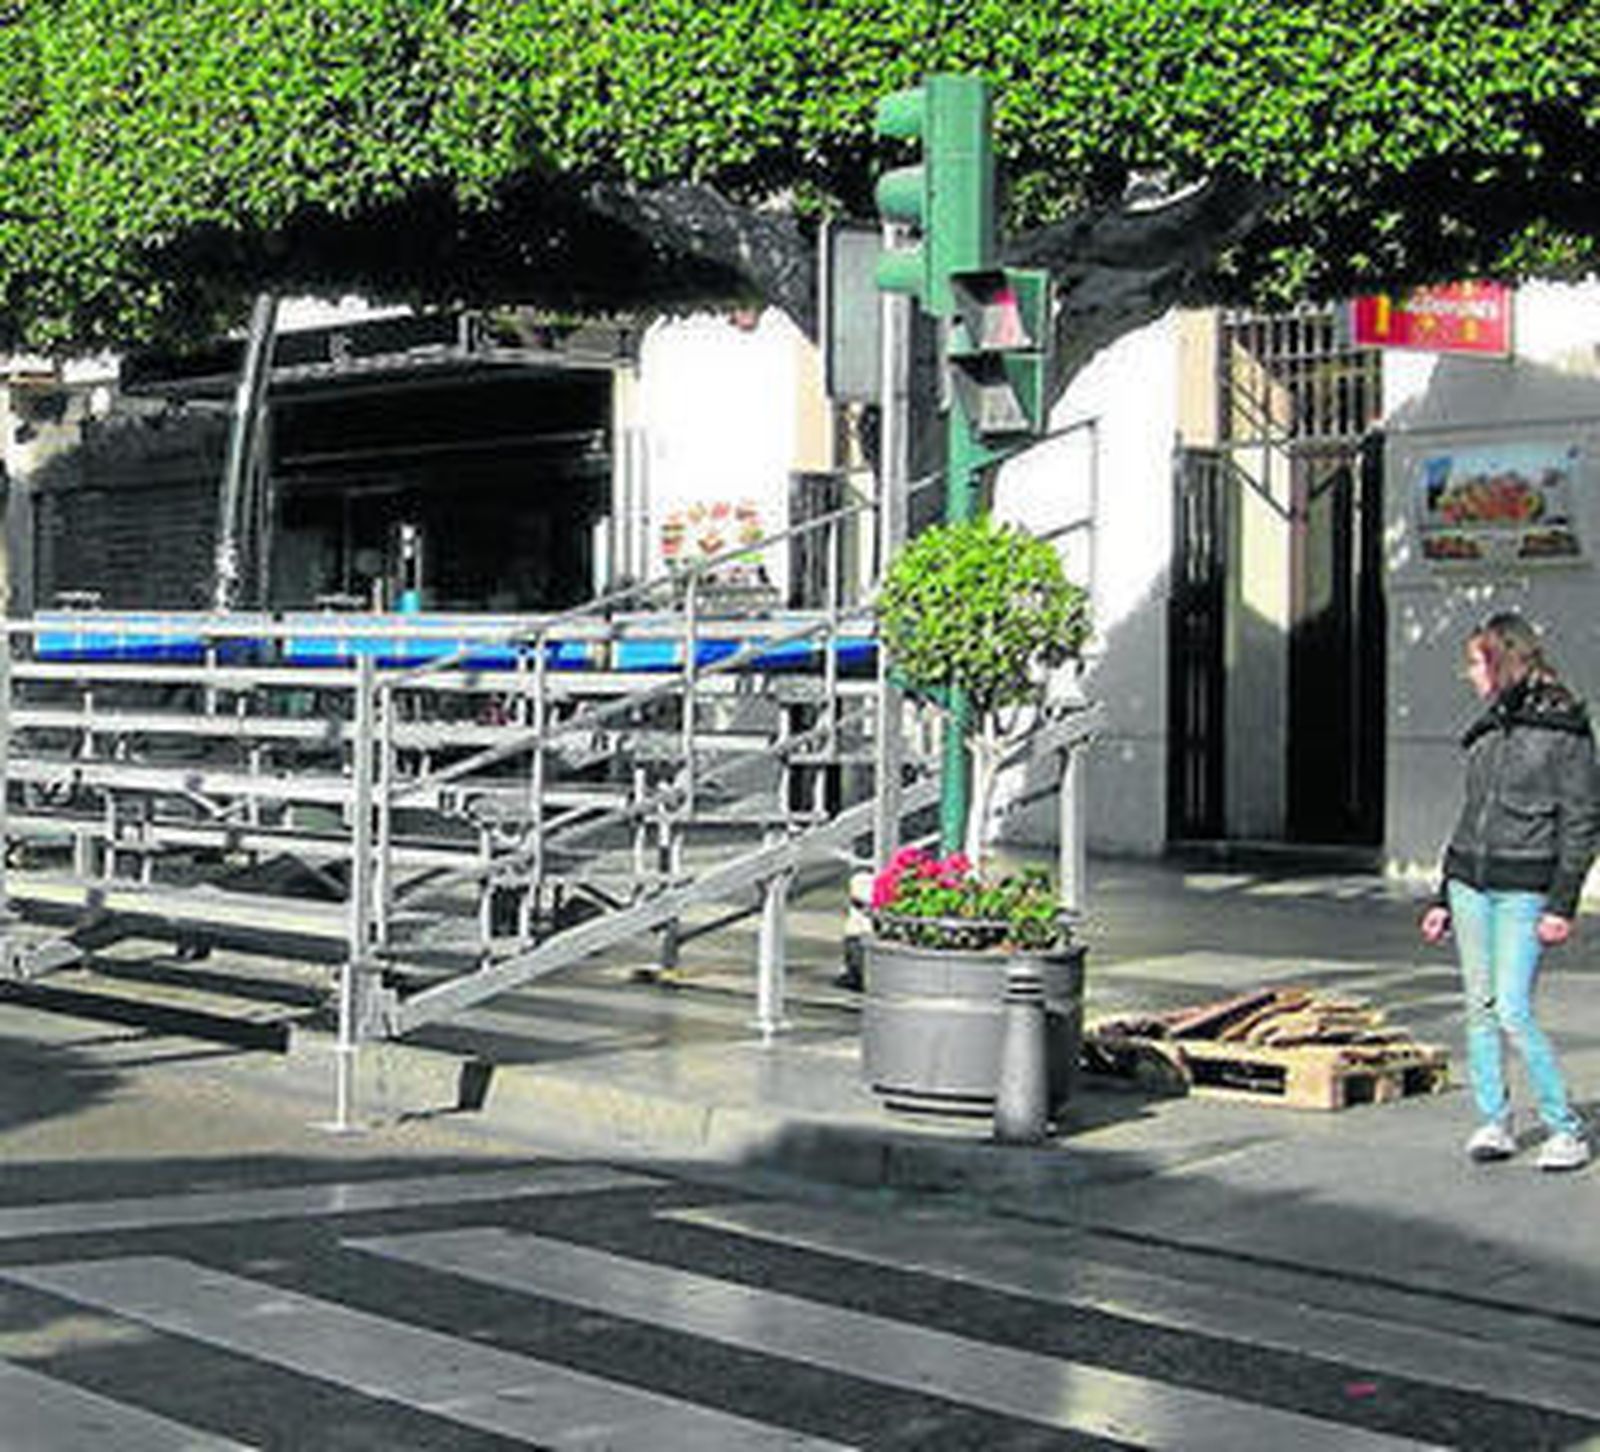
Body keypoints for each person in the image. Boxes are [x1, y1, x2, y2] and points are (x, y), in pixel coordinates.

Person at [1420, 611, 1599, 1172]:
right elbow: (1470, 817)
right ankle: (1493, 1120)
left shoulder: (1563, 730)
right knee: (1479, 1008)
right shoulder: (1489, 730)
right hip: (1472, 883)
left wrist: (1561, 902)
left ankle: (1564, 1128)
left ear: (1504, 661)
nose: (1469, 674)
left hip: (1525, 887)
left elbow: (1583, 819)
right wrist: (1442, 896)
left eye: (1476, 662)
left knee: (1512, 1009)